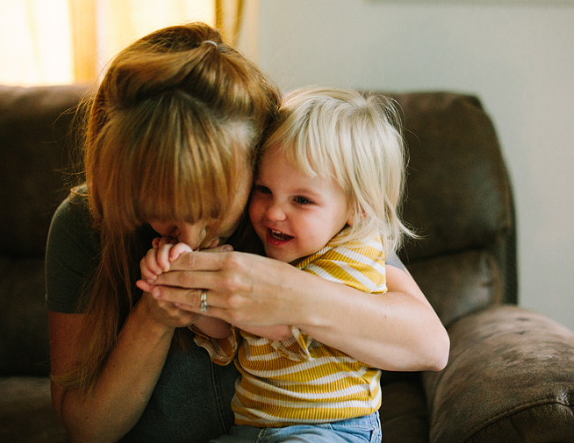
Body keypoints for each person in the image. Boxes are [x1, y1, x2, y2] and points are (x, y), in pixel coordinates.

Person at [46, 22, 449, 442]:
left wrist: (292, 295)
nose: (188, 234)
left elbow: (430, 345)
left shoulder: (296, 207)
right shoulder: (82, 222)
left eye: (212, 208)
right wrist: (154, 316)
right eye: (159, 209)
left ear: (257, 160)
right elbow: (88, 428)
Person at [142, 87, 415, 441]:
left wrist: (209, 279)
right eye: (264, 189)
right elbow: (224, 330)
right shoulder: (270, 253)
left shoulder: (355, 254)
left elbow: (280, 322)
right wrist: (179, 284)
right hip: (253, 429)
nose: (273, 212)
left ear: (358, 208)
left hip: (329, 431)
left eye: (301, 200)